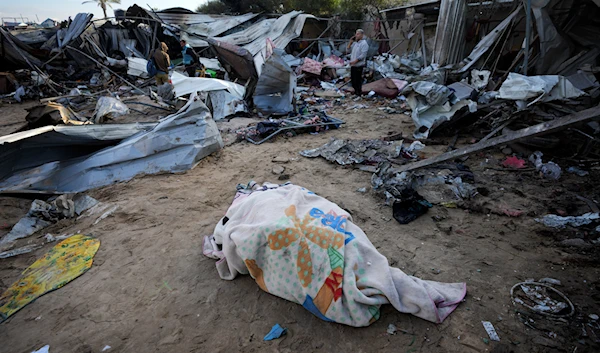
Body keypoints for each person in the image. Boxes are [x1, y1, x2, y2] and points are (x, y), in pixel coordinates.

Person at [346, 29, 369, 96]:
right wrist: (350, 43)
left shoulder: (364, 44)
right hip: (353, 65)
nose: (356, 35)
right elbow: (348, 50)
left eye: (358, 34)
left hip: (359, 65)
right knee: (353, 80)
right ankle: (356, 92)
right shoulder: (356, 44)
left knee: (357, 80)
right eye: (356, 34)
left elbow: (363, 55)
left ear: (362, 35)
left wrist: (355, 61)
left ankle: (359, 93)